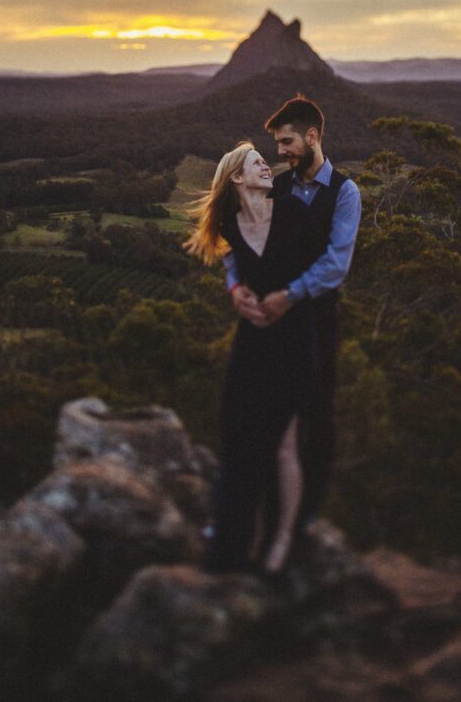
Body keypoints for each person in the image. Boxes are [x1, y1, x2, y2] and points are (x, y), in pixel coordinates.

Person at [225, 95, 361, 538]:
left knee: (315, 418)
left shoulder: (345, 193)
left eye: (286, 143)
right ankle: (258, 519)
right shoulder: (274, 188)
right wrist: (236, 286)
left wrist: (292, 294)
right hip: (267, 320)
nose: (279, 153)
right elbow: (237, 239)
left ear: (313, 137)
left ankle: (301, 525)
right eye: (277, 145)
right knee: (265, 422)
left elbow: (336, 263)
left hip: (317, 320)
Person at [185, 141, 321, 575]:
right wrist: (235, 290)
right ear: (238, 179)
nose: (268, 165)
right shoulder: (230, 222)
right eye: (257, 162)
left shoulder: (294, 211)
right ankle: (237, 537)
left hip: (293, 338)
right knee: (239, 437)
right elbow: (234, 264)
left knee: (282, 445)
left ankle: (280, 541)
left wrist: (291, 295)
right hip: (252, 341)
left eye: (266, 160)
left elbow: (324, 267)